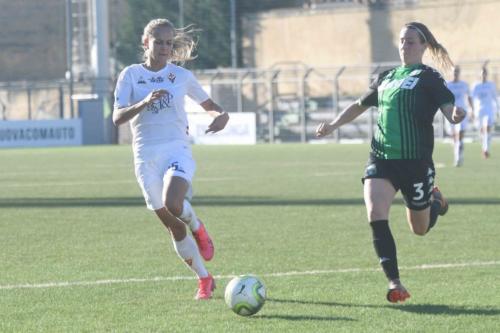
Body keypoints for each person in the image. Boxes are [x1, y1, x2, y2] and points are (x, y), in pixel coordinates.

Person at [316, 22, 465, 303]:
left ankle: (434, 201)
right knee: (375, 212)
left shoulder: (429, 77)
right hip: (381, 158)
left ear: (423, 46)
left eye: (410, 42)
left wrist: (456, 114)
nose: (404, 46)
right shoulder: (386, 77)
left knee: (419, 229)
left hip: (415, 163)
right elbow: (360, 105)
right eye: (401, 41)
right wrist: (333, 125)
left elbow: (448, 110)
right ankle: (394, 282)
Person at [113, 18, 229, 300]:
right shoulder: (130, 75)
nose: (164, 48)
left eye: (168, 43)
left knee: (174, 202)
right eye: (159, 42)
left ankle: (199, 227)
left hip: (176, 148)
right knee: (174, 226)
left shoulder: (181, 76)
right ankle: (204, 278)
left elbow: (210, 105)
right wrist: (144, 102)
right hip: (144, 154)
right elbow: (117, 118)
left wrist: (222, 116)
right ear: (146, 43)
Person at [446, 66, 474, 166]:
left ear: (459, 73)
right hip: (450, 114)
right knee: (454, 137)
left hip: (461, 113)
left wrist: (472, 110)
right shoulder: (448, 85)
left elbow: (469, 97)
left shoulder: (464, 85)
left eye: (457, 72)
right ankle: (458, 154)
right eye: (454, 72)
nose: (455, 73)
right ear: (451, 72)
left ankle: (458, 158)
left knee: (459, 136)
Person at [471, 67, 498, 159]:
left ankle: (486, 149)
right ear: (480, 74)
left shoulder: (491, 85)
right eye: (482, 73)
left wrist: (497, 110)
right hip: (479, 112)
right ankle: (484, 146)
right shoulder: (476, 86)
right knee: (482, 132)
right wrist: (472, 111)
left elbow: (495, 98)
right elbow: (472, 98)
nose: (483, 75)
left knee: (487, 128)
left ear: (487, 74)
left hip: (489, 110)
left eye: (485, 73)